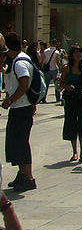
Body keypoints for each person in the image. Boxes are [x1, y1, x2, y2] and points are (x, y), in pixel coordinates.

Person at [1, 32, 37, 191]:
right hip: (22, 107)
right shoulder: (19, 59)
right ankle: (22, 174)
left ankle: (28, 177)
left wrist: (10, 100)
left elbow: (24, 84)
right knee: (16, 142)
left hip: (21, 108)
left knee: (21, 142)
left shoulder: (19, 63)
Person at [59, 45, 82, 162]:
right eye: (76, 53)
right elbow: (61, 83)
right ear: (72, 55)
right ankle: (74, 152)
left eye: (80, 52)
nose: (79, 55)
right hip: (71, 99)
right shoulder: (66, 68)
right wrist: (67, 87)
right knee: (71, 124)